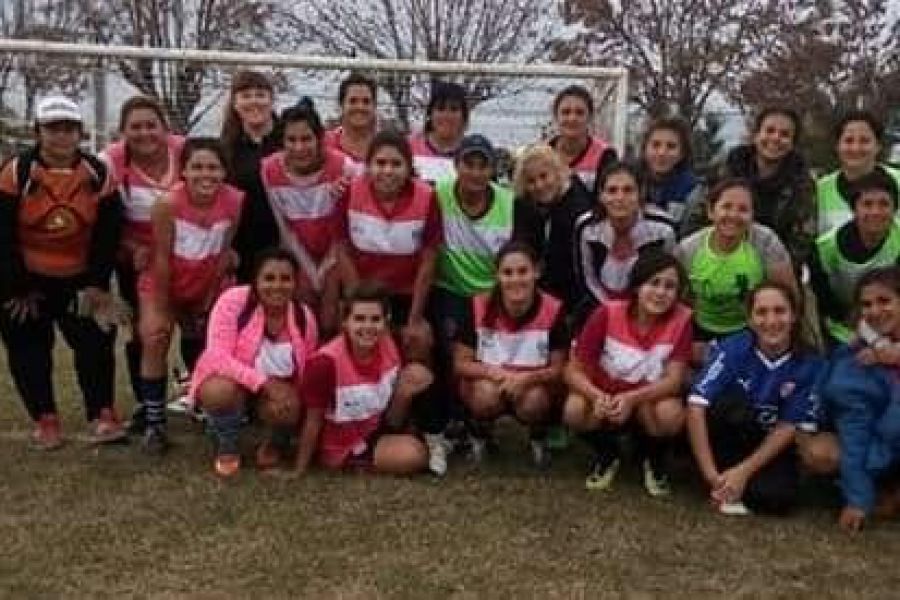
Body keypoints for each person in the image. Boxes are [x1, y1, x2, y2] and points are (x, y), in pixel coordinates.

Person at [0, 95, 125, 448]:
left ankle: (101, 413)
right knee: (27, 348)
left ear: (80, 133)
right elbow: (3, 234)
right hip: (27, 280)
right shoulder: (15, 173)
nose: (61, 136)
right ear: (38, 131)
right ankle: (45, 419)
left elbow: (108, 233)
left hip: (80, 278)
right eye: (53, 128)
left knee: (96, 344)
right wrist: (16, 286)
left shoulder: (98, 174)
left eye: (69, 128)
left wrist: (98, 284)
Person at [429, 134, 540, 472]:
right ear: (456, 165)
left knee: (504, 358)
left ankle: (515, 424)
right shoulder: (437, 196)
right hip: (452, 290)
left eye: (483, 165)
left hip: (497, 294)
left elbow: (523, 257)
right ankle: (454, 423)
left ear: (493, 169)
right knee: (449, 352)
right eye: (468, 164)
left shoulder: (512, 205)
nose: (475, 172)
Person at [136, 138, 243, 453]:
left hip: (207, 278)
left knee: (216, 342)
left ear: (224, 171)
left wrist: (208, 298)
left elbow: (224, 253)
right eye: (197, 167)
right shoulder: (166, 204)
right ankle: (155, 424)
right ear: (183, 170)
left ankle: (210, 409)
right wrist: (171, 305)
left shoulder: (235, 201)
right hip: (165, 280)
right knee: (156, 336)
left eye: (213, 167)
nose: (205, 174)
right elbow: (160, 258)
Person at [686, 282, 823, 516]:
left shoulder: (810, 364)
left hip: (767, 443)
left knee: (777, 499)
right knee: (733, 407)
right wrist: (711, 475)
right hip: (730, 434)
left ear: (794, 316)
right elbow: (696, 405)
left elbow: (788, 426)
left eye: (780, 311)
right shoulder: (734, 348)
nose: (771, 321)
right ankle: (717, 480)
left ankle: (735, 483)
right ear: (749, 320)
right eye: (761, 312)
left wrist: (743, 472)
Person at [564, 252, 691, 495]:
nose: (661, 292)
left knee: (671, 415)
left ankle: (652, 459)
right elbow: (573, 370)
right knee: (574, 409)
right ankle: (608, 454)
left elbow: (674, 381)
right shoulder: (606, 313)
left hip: (647, 400)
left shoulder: (682, 320)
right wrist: (595, 396)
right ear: (636, 286)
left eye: (670, 286)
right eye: (653, 283)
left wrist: (634, 399)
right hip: (607, 394)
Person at [190, 248, 318, 477]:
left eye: (285, 279)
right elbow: (217, 356)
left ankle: (274, 443)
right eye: (269, 278)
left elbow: (306, 370)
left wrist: (291, 400)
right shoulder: (233, 301)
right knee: (218, 390)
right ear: (255, 281)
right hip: (237, 384)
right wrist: (264, 383)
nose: (277, 286)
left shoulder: (304, 316)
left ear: (295, 283)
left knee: (291, 402)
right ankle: (226, 443)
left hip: (275, 391)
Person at [102, 95, 185, 433]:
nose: (144, 133)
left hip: (191, 254)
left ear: (165, 128)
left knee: (196, 325)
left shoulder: (186, 151)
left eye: (151, 125)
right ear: (123, 131)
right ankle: (146, 403)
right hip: (139, 260)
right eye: (135, 127)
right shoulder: (110, 162)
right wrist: (129, 246)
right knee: (145, 332)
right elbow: (104, 220)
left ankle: (197, 397)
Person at [295, 282, 431, 475]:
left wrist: (405, 393)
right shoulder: (325, 363)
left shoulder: (390, 343)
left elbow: (390, 406)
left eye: (375, 319)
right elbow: (313, 420)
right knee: (414, 455)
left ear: (386, 321)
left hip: (376, 428)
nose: (367, 326)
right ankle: (354, 464)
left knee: (418, 374)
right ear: (345, 322)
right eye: (359, 319)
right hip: (345, 444)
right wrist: (299, 469)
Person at [453, 241, 569, 467]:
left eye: (523, 271)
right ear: (497, 275)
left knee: (534, 401)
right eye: (507, 272)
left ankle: (538, 436)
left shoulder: (553, 309)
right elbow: (460, 363)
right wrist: (492, 372)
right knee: (484, 395)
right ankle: (480, 434)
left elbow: (559, 369)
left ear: (536, 272)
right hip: (489, 382)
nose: (515, 279)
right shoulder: (477, 305)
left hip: (533, 386)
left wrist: (528, 379)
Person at [336, 130, 439, 363]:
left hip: (405, 296)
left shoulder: (427, 198)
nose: (388, 171)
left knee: (419, 339)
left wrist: (414, 319)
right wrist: (359, 309)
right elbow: (342, 251)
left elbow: (429, 261)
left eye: (396, 164)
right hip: (363, 291)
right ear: (368, 165)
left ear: (408, 166)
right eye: (380, 163)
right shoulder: (349, 192)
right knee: (350, 337)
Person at [261, 98, 354, 336]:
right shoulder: (269, 169)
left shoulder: (344, 167)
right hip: (298, 252)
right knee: (303, 313)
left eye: (306, 139)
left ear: (319, 138)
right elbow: (285, 230)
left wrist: (323, 270)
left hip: (336, 252)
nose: (299, 147)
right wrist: (310, 271)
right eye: (291, 140)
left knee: (329, 317)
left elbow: (345, 231)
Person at [675, 178, 796, 359]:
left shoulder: (765, 242)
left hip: (752, 330)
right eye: (726, 207)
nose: (733, 215)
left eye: (743, 209)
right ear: (711, 211)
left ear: (752, 214)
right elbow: (678, 301)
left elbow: (788, 296)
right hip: (701, 332)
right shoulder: (688, 249)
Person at [682, 108, 816, 268]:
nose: (776, 138)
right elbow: (696, 216)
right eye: (770, 131)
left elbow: (802, 240)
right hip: (714, 260)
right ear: (756, 134)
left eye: (785, 134)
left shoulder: (802, 182)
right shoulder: (725, 170)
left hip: (773, 266)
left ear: (793, 143)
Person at [821, 267, 900, 533]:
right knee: (833, 454)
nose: (875, 311)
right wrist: (859, 499)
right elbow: (856, 436)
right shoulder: (856, 362)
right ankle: (876, 490)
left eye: (885, 301)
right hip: (876, 454)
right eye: (866, 304)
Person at [572, 162, 675, 325]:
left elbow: (669, 278)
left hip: (649, 309)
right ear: (601, 195)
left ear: (640, 193)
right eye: (612, 191)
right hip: (599, 307)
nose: (620, 198)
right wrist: (610, 311)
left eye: (628, 190)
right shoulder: (587, 227)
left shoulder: (663, 229)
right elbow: (586, 278)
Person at [810, 169, 900, 347]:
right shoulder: (824, 249)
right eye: (867, 204)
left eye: (884, 204)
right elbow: (825, 304)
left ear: (894, 209)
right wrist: (870, 337)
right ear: (854, 209)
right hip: (842, 329)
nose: (875, 212)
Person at [512, 143, 592, 313]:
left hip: (573, 294)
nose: (539, 185)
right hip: (536, 290)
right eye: (531, 181)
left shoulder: (578, 206)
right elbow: (521, 244)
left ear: (556, 173)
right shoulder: (523, 204)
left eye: (544, 176)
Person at [220, 69, 281, 283]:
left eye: (260, 94)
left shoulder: (289, 141)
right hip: (243, 249)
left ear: (271, 100)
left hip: (285, 246)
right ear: (235, 103)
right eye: (246, 95)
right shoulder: (226, 149)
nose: (254, 101)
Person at [817, 110, 900, 237]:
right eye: (849, 141)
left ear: (878, 146)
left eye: (865, 141)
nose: (856, 148)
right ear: (837, 146)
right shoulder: (819, 191)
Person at [548, 84, 617, 194]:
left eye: (579, 113)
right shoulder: (542, 154)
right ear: (556, 116)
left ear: (590, 117)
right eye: (566, 112)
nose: (572, 118)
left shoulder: (605, 154)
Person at [636, 116, 700, 227]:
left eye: (671, 146)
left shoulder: (691, 190)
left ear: (682, 153)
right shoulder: (629, 182)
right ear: (645, 149)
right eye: (655, 145)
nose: (662, 152)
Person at [409, 81, 468, 184]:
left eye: (454, 109)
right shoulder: (409, 147)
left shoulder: (471, 151)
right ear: (430, 114)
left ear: (464, 116)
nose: (447, 115)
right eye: (440, 109)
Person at [323, 72, 378, 174]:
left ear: (374, 106)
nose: (360, 107)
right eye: (353, 101)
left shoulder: (386, 146)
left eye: (366, 101)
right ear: (341, 105)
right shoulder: (323, 144)